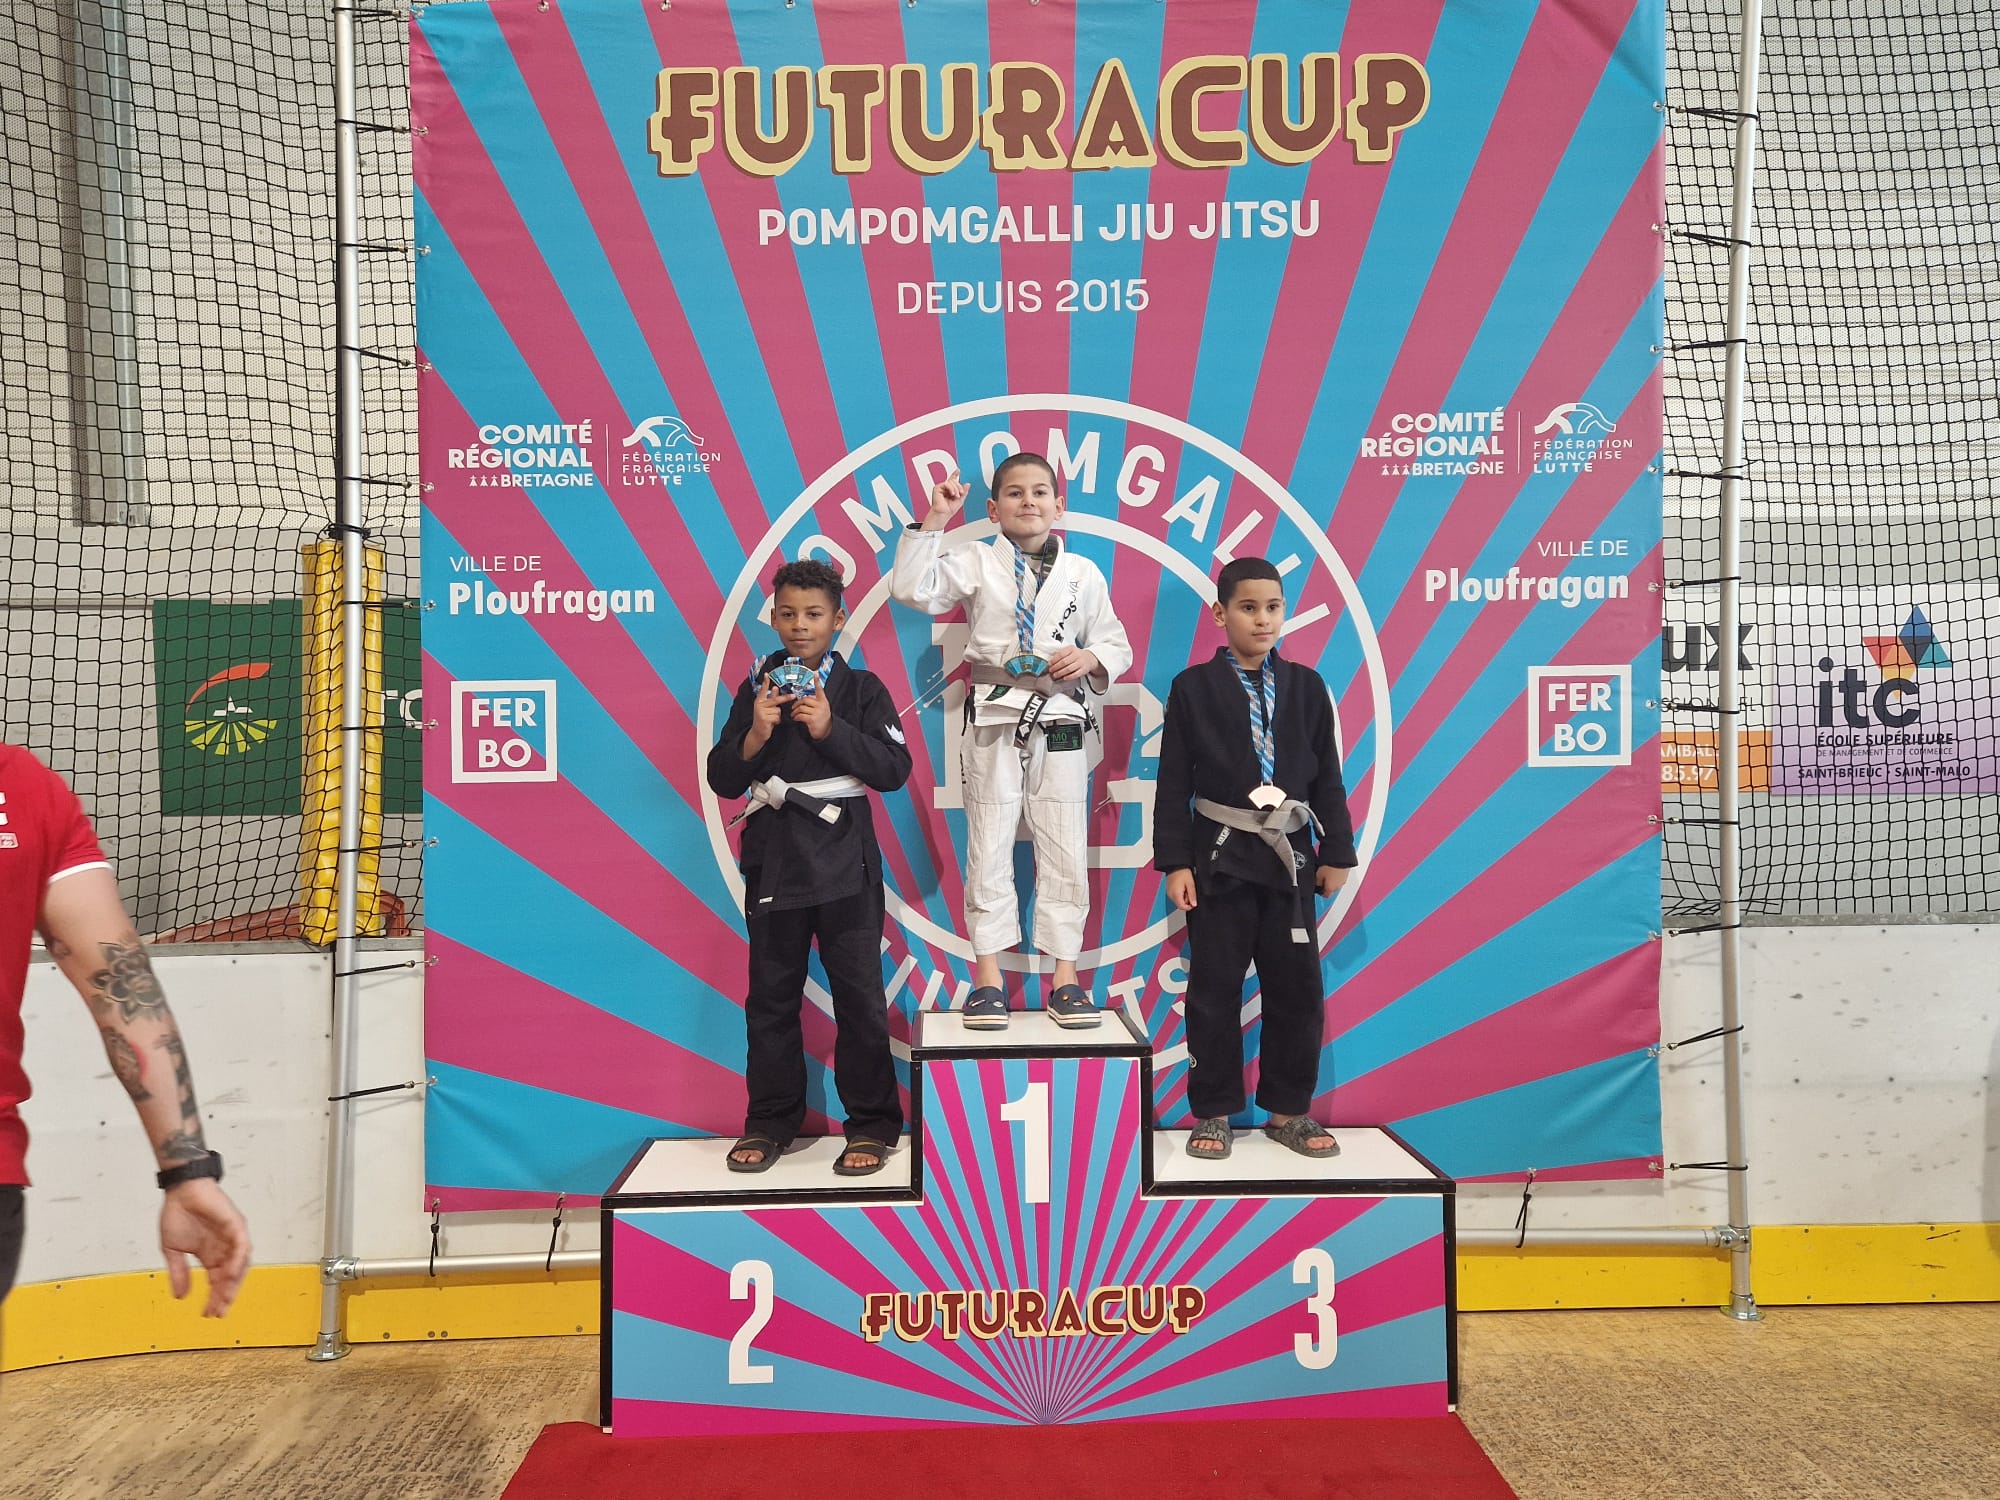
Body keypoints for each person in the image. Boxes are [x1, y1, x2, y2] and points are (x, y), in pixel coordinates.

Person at [1, 742, 251, 1313]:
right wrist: (188, 1172)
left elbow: (121, 985)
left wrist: (189, 1173)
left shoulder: (26, 787)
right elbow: (123, 988)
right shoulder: (24, 785)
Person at [891, 453, 1133, 1031]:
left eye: (1040, 491)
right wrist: (936, 518)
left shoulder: (1083, 574)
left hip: (1061, 714)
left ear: (1059, 505)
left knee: (1065, 841)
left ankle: (1066, 979)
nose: (1029, 501)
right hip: (994, 710)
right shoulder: (977, 560)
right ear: (994, 509)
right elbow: (911, 587)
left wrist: (1091, 657)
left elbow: (1115, 643)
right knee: (989, 840)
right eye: (1016, 493)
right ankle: (988, 981)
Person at [706, 560, 912, 1175]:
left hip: (847, 861)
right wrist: (754, 735)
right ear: (772, 617)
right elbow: (722, 777)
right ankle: (770, 1122)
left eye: (814, 614)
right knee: (770, 999)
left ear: (839, 619)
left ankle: (871, 1124)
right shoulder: (757, 687)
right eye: (789, 613)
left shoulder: (862, 689)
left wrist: (830, 728)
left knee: (859, 997)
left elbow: (894, 770)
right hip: (775, 862)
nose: (800, 625)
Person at [1153, 558, 1358, 1159]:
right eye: (1248, 608)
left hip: (1291, 857)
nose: (1263, 619)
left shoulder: (1307, 687)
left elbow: (1328, 778)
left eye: (1273, 607)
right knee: (1213, 988)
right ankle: (1213, 1112)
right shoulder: (1192, 688)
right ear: (1221, 614)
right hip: (1220, 857)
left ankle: (1288, 1111)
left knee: (1297, 988)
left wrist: (1336, 850)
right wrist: (1176, 862)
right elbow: (1172, 782)